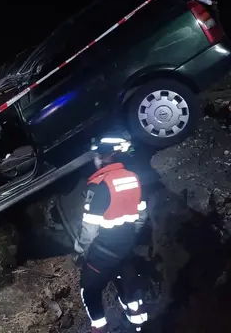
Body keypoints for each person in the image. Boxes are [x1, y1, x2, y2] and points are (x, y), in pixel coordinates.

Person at [75, 137, 149, 333]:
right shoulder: (133, 177)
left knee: (89, 291)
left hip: (103, 251)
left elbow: (90, 228)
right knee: (127, 282)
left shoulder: (100, 185)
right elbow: (142, 214)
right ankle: (139, 325)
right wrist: (130, 236)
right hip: (127, 245)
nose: (95, 161)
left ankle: (100, 328)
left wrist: (81, 251)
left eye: (96, 157)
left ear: (103, 158)